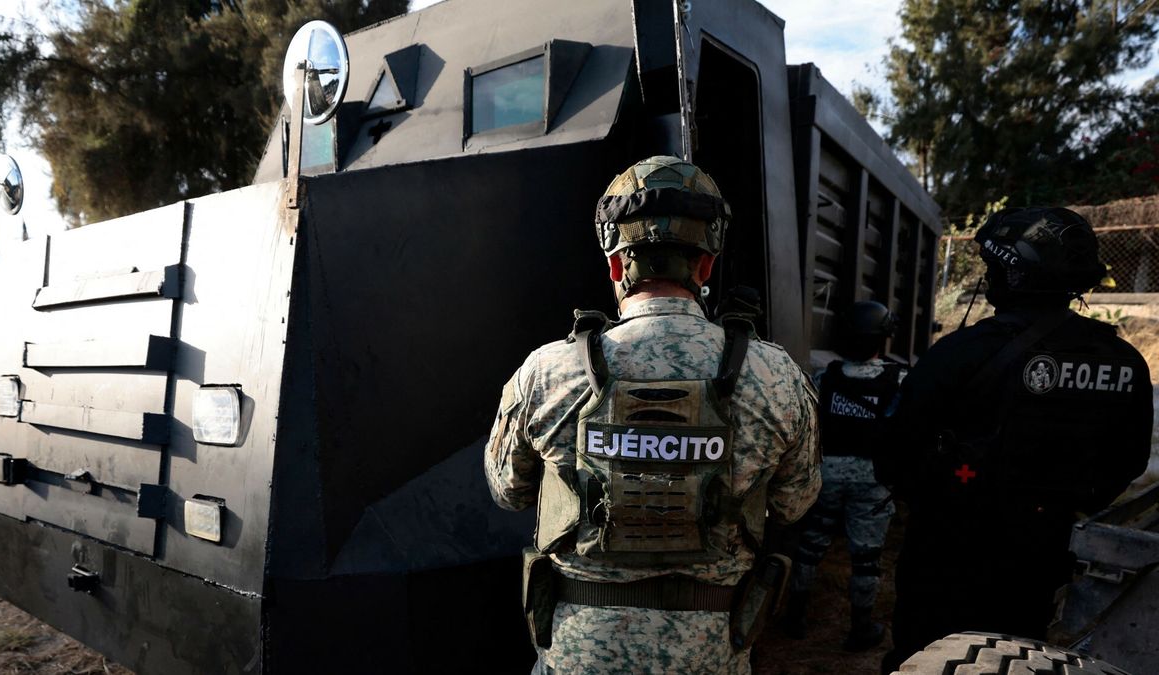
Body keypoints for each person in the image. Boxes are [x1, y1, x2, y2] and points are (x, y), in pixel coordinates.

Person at [484, 155, 822, 674]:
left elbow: (508, 492)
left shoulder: (546, 372)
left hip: (579, 656)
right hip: (710, 656)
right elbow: (796, 503)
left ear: (616, 265)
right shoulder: (776, 377)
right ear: (706, 265)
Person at [875, 207, 1153, 672]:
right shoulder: (1123, 361)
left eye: (991, 268)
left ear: (1012, 271)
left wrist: (943, 496)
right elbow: (1126, 463)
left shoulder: (960, 353)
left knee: (923, 657)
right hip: (1039, 559)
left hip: (945, 557)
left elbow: (894, 454)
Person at [783, 301, 905, 651]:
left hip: (828, 475)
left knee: (810, 547)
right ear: (883, 338)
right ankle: (860, 628)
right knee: (866, 558)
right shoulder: (898, 380)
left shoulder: (827, 377)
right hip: (873, 479)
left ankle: (795, 616)